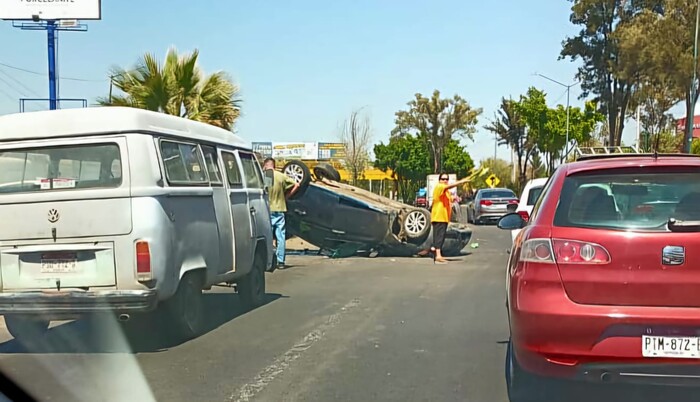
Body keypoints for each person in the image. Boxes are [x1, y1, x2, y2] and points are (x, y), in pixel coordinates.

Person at [263, 158, 299, 269]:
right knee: (280, 236)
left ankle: (268, 261)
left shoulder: (264, 176)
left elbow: (264, 190)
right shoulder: (281, 176)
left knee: (267, 236)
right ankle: (281, 262)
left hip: (267, 209)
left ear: (265, 165)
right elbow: (296, 184)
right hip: (280, 209)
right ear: (274, 165)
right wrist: (286, 197)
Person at [430, 173, 470, 264]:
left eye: (446, 179)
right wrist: (461, 182)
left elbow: (448, 199)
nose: (445, 181)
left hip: (444, 217)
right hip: (439, 216)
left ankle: (435, 252)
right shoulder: (439, 187)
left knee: (441, 236)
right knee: (439, 236)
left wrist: (454, 198)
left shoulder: (445, 191)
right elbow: (448, 187)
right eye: (443, 179)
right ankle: (438, 256)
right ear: (439, 180)